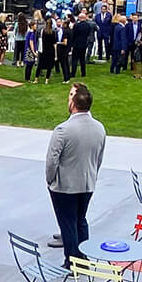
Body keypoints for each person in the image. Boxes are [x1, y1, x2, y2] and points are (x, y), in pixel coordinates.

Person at [46, 82, 107, 267]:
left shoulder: (63, 130)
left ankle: (72, 261)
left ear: (73, 103)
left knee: (68, 224)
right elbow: (99, 158)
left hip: (65, 186)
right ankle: (83, 258)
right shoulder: (100, 128)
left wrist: (51, 180)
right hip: (87, 183)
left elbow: (51, 161)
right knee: (81, 220)